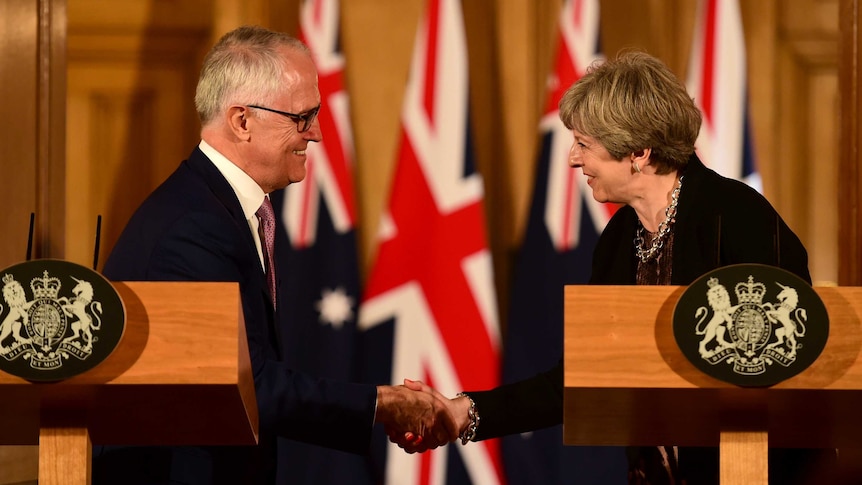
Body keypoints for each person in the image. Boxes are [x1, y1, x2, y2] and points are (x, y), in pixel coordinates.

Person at [397, 51, 836, 484]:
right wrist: (462, 413)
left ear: (639, 152)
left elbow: (788, 363)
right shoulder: (619, 239)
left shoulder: (737, 217)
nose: (572, 159)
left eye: (584, 144)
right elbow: (581, 378)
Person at [94, 25, 455, 485]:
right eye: (302, 117)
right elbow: (245, 385)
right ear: (241, 121)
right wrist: (381, 404)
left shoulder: (217, 208)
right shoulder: (193, 229)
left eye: (317, 114)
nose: (318, 134)